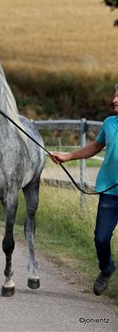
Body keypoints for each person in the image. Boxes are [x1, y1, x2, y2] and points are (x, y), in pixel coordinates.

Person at [51, 84, 118, 296]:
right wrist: (67, 156)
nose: (114, 100)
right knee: (100, 238)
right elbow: (95, 147)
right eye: (115, 95)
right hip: (110, 191)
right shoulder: (109, 123)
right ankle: (106, 269)